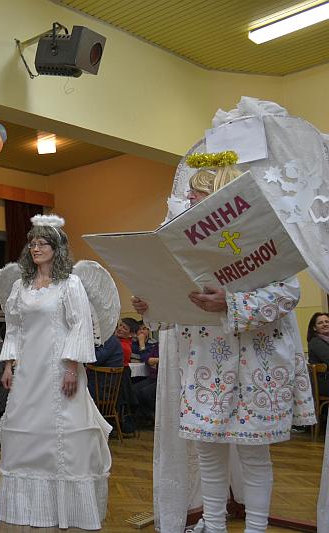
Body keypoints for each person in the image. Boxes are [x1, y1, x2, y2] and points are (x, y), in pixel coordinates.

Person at [133, 155, 315, 533]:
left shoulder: (261, 235)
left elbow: (288, 292)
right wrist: (153, 304)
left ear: (220, 196)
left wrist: (231, 302)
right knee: (208, 454)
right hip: (204, 362)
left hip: (255, 365)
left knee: (253, 457)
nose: (189, 200)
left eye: (197, 193)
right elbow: (176, 305)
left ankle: (256, 529)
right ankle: (214, 526)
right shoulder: (181, 243)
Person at [0, 214, 111, 530]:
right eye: (32, 243)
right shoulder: (20, 286)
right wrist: (8, 364)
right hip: (27, 371)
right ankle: (27, 506)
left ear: (56, 248)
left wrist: (72, 367)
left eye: (42, 243)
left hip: (60, 370)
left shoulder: (70, 284)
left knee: (62, 432)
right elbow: (14, 328)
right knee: (23, 428)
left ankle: (69, 508)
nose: (36, 248)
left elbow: (79, 325)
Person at [307, 312, 329, 397]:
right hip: (325, 383)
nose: (325, 324)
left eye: (327, 322)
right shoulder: (315, 342)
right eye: (320, 323)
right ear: (314, 328)